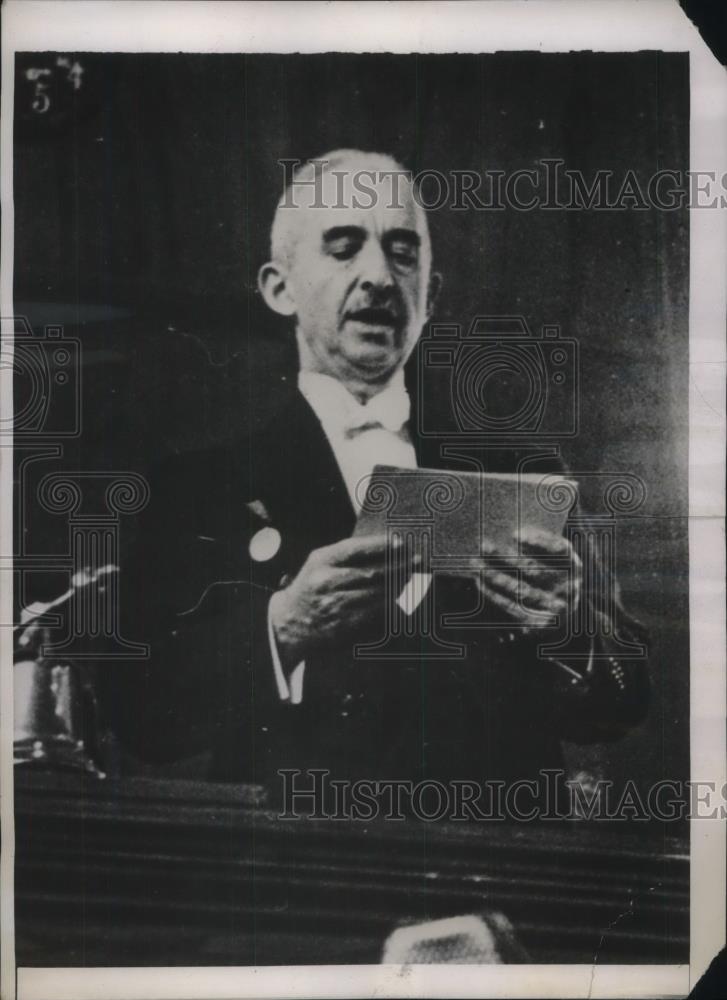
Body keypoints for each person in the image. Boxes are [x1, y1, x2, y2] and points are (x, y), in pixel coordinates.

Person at [103, 150, 649, 804]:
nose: (379, 278)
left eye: (401, 252)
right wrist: (281, 626)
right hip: (303, 875)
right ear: (279, 288)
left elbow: (625, 701)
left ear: (431, 295)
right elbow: (141, 716)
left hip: (498, 871)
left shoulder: (523, 473)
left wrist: (569, 630)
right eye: (342, 249)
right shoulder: (202, 485)